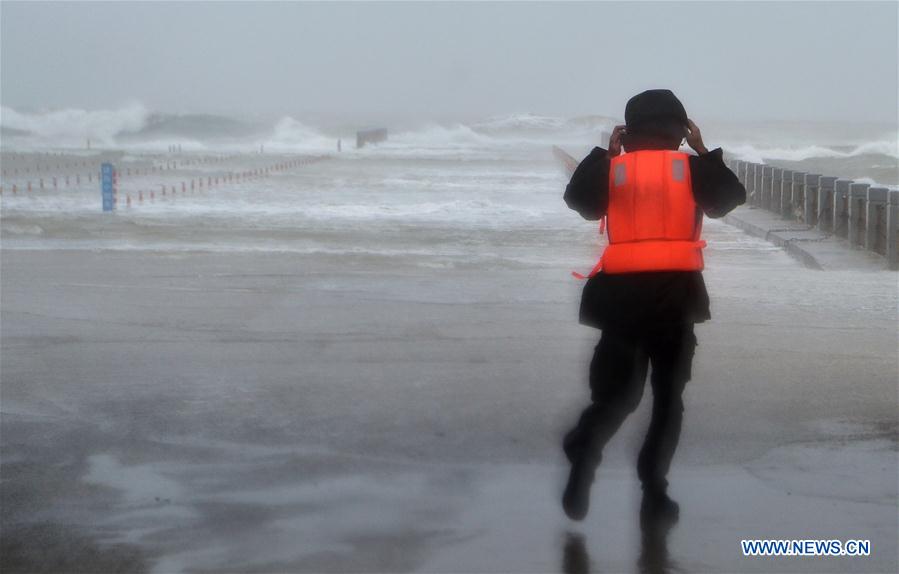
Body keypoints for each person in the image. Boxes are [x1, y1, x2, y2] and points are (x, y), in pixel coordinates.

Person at [561, 89, 746, 522]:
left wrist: (603, 154)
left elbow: (581, 204)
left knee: (615, 398)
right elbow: (729, 199)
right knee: (667, 400)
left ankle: (584, 447)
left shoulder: (614, 169)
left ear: (628, 131)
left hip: (620, 303)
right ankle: (654, 490)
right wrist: (704, 149)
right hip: (674, 302)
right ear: (681, 129)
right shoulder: (693, 168)